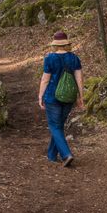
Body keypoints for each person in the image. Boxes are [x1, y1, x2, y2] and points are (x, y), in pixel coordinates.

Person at [37, 31, 83, 167]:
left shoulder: (50, 58)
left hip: (52, 97)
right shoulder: (74, 58)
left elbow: (45, 79)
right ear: (66, 44)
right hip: (69, 97)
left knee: (54, 126)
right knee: (58, 126)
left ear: (55, 45)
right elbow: (79, 79)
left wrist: (40, 96)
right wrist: (81, 96)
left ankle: (66, 154)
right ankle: (51, 155)